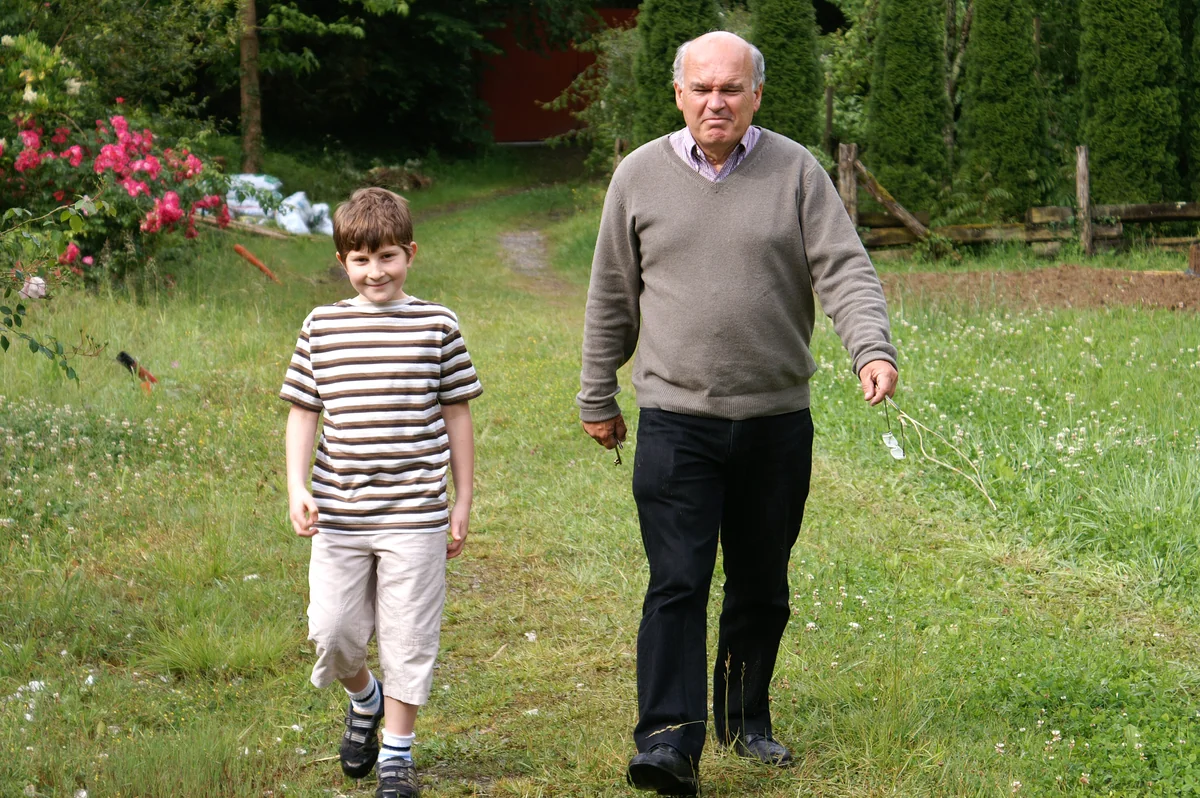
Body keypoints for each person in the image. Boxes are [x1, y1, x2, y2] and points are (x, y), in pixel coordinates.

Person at [577, 31, 898, 796]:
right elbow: (612, 292)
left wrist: (870, 349)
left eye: (730, 89)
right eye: (701, 88)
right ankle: (667, 741)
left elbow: (844, 269)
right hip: (675, 417)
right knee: (677, 581)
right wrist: (597, 392)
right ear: (678, 94)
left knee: (760, 584)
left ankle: (744, 719)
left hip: (774, 420)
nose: (715, 102)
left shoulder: (797, 172)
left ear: (756, 95)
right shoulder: (638, 176)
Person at [281, 187, 482, 798]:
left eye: (388, 257)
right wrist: (296, 486)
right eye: (361, 260)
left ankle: (397, 754)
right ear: (342, 262)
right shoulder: (322, 326)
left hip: (415, 512)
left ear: (409, 254)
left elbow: (457, 413)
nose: (376, 271)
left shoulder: (437, 324)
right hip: (339, 514)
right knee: (333, 631)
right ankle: (364, 698)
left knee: (408, 636)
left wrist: (462, 499)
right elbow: (303, 411)